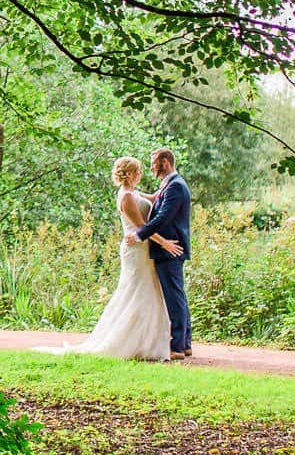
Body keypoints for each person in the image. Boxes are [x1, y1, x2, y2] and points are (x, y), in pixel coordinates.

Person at [32, 157, 172, 361]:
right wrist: (165, 242)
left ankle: (146, 342)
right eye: (138, 171)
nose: (141, 174)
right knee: (136, 291)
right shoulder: (126, 197)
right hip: (136, 249)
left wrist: (169, 182)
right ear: (130, 174)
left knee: (148, 291)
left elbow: (153, 197)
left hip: (144, 249)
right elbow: (142, 227)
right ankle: (127, 341)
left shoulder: (133, 192)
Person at [126, 147, 192, 359]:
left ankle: (177, 347)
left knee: (174, 298)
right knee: (177, 295)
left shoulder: (176, 186)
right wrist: (132, 193)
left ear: (165, 162)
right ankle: (185, 344)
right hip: (166, 249)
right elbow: (155, 197)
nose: (151, 167)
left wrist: (139, 235)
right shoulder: (169, 184)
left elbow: (162, 218)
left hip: (170, 249)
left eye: (154, 163)